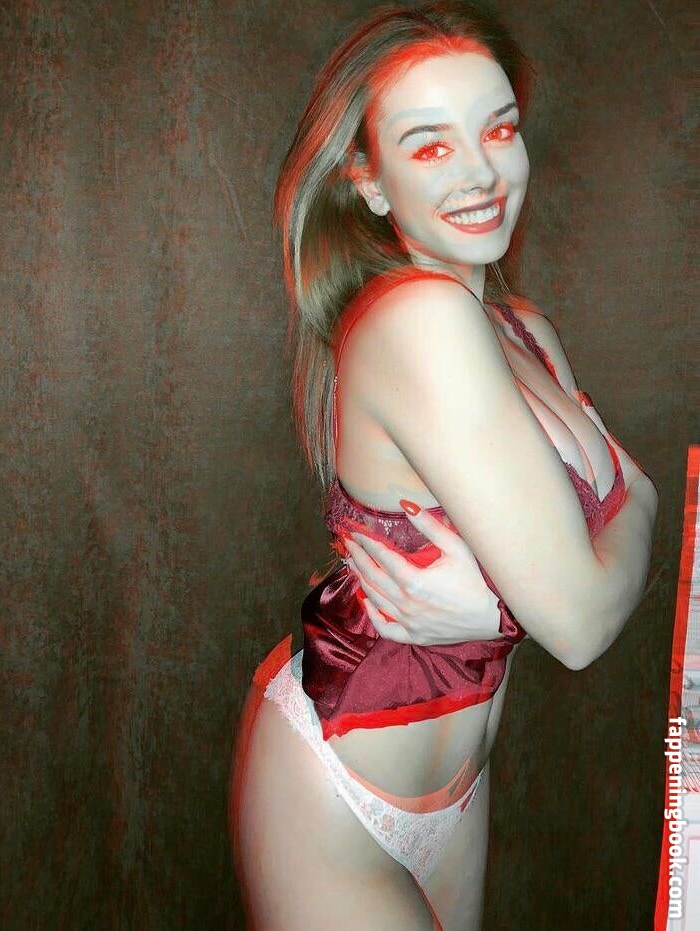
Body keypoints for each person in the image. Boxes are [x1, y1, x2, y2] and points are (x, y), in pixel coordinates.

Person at [229, 3, 658, 929]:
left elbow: (637, 512)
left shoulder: (522, 329)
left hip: (461, 777)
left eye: (498, 129)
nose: (481, 173)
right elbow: (583, 619)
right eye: (430, 146)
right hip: (337, 787)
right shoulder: (418, 318)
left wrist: (516, 601)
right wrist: (539, 598)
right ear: (369, 181)